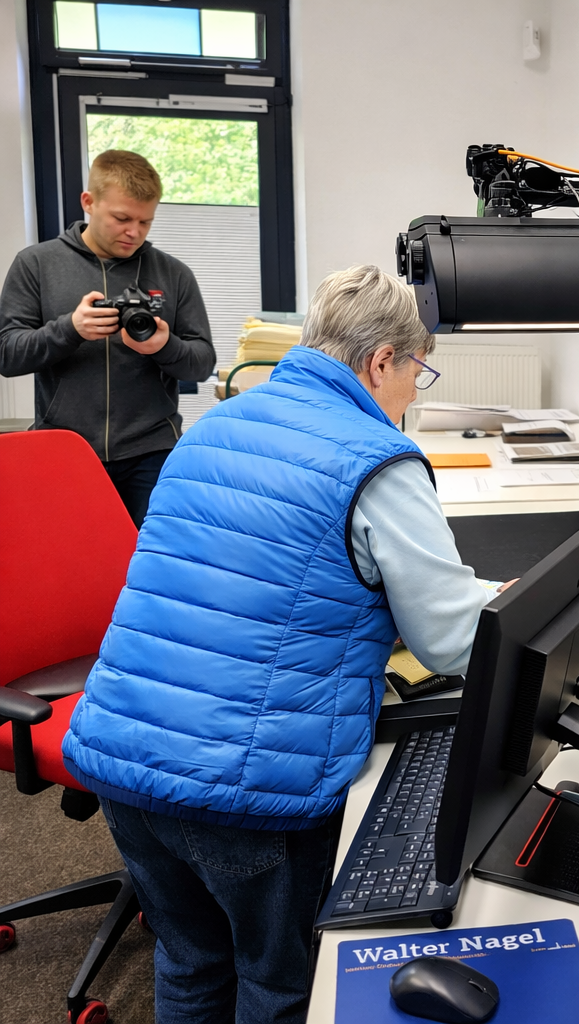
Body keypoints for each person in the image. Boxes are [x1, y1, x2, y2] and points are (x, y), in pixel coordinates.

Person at [62, 265, 506, 1024]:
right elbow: (452, 640)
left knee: (190, 959)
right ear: (380, 362)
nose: (412, 393)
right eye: (417, 370)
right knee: (275, 982)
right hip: (247, 787)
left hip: (121, 757)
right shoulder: (378, 460)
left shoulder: (215, 426)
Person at [0, 149, 215, 527]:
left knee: (146, 564)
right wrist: (70, 330)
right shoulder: (36, 265)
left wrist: (164, 346)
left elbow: (202, 362)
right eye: (121, 218)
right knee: (72, 564)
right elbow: (7, 355)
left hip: (152, 451)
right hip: (64, 450)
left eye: (145, 222)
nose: (134, 232)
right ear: (89, 202)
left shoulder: (173, 274)